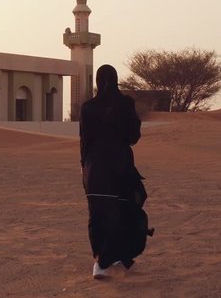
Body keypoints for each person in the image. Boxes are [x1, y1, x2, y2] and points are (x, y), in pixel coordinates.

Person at [79, 64, 151, 279]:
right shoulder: (126, 103)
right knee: (123, 209)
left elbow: (85, 140)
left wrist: (84, 166)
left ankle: (101, 261)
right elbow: (133, 137)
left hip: (95, 167)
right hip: (120, 165)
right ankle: (119, 256)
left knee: (98, 212)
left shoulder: (88, 107)